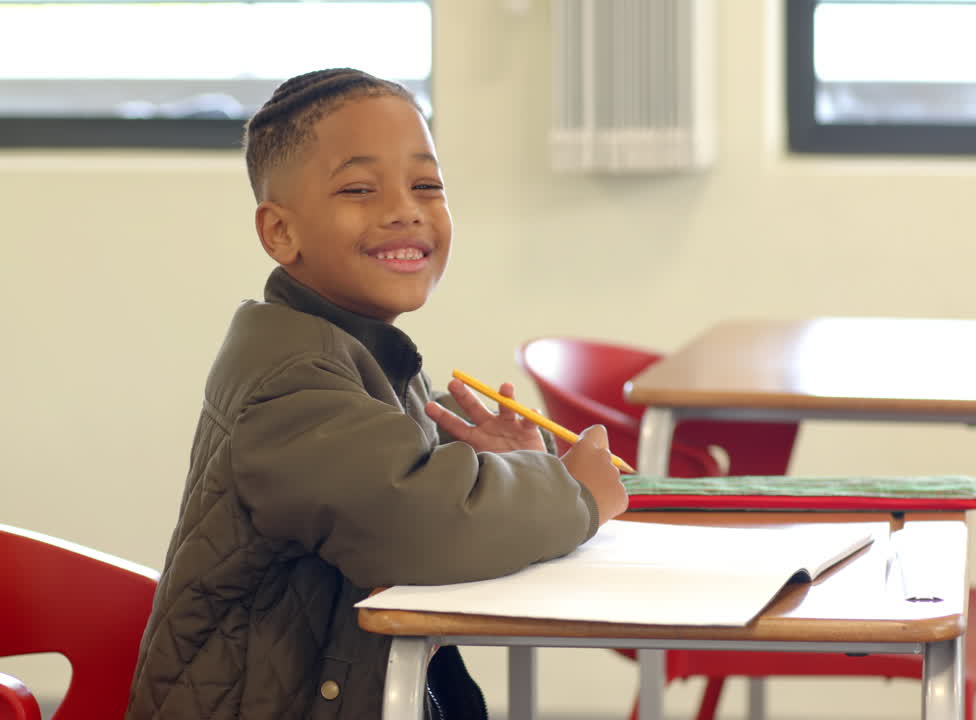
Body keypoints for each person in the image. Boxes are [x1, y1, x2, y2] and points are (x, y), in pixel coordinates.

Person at [125, 68, 629, 720]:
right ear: (281, 232)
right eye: (360, 189)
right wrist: (571, 492)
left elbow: (419, 502)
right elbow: (417, 525)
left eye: (427, 185)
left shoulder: (351, 350)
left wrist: (508, 469)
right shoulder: (292, 383)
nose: (405, 209)